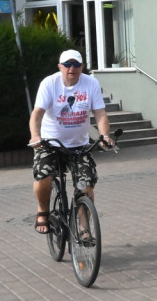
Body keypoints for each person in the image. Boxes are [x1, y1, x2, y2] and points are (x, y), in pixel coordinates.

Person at [28, 50, 113, 235]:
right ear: (60, 67)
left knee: (86, 183)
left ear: (82, 67)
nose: (71, 68)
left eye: (76, 64)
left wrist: (105, 135)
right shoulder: (49, 83)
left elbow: (100, 113)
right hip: (50, 143)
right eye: (67, 64)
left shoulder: (91, 83)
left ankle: (83, 227)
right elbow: (37, 114)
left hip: (79, 145)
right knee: (43, 176)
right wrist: (35, 136)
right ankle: (42, 211)